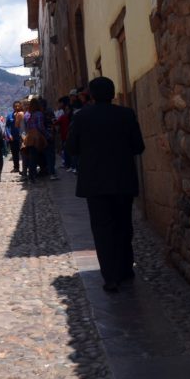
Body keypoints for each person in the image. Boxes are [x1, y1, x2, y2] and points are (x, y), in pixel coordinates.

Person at [65, 77, 145, 293]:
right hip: (122, 179)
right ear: (112, 92)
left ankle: (110, 276)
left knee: (102, 228)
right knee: (123, 225)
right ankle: (125, 269)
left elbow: (72, 148)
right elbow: (138, 146)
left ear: (91, 95)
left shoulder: (82, 118)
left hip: (95, 182)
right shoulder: (126, 115)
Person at [6, 100, 23, 174]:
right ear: (13, 107)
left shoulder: (23, 114)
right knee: (15, 153)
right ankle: (16, 167)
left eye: (18, 106)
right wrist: (9, 134)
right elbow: (7, 126)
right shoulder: (10, 116)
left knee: (24, 153)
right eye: (15, 106)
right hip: (13, 138)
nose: (17, 107)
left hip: (22, 137)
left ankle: (25, 168)